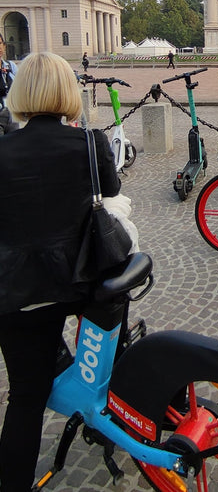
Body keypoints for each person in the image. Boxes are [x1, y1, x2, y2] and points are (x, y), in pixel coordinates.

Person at [0, 52, 121, 491]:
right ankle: (106, 403)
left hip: (18, 293)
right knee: (111, 349)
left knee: (25, 399)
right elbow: (110, 190)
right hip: (83, 281)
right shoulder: (91, 143)